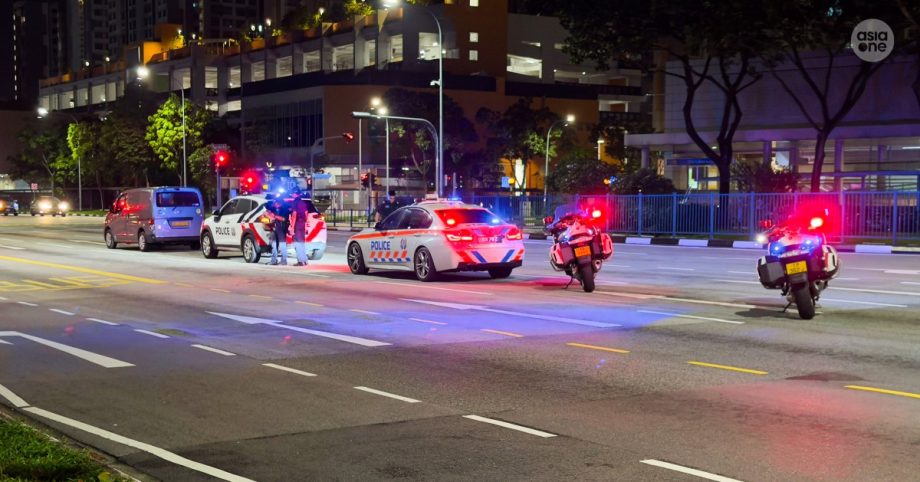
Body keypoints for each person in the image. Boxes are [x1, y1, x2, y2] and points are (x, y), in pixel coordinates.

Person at [266, 199, 290, 265]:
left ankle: (284, 261)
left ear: (279, 203)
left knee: (282, 245)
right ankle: (273, 260)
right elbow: (268, 214)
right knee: (274, 245)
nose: (274, 204)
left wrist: (274, 216)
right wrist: (269, 214)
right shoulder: (273, 209)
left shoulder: (284, 210)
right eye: (274, 203)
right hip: (274, 228)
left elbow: (283, 219)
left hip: (282, 228)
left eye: (275, 203)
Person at [289, 196, 310, 266]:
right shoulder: (303, 203)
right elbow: (306, 213)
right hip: (302, 224)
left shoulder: (295, 202)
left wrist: (292, 227)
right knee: (302, 243)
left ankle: (300, 261)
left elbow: (294, 215)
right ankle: (305, 260)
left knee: (297, 243)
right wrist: (305, 222)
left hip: (297, 224)